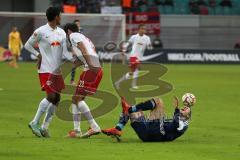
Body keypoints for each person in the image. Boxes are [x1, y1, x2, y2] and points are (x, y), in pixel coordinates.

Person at [25, 7, 71, 138]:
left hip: (57, 70)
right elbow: (28, 45)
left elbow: (65, 52)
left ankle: (45, 127)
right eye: (60, 15)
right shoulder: (40, 31)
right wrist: (38, 55)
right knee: (51, 96)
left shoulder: (61, 32)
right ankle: (34, 122)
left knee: (57, 98)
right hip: (45, 69)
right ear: (56, 17)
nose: (61, 17)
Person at [64, 23, 102, 138]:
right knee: (75, 98)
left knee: (77, 98)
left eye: (66, 33)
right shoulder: (86, 38)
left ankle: (94, 127)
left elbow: (84, 50)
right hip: (94, 68)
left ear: (69, 31)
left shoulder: (73, 36)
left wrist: (90, 64)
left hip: (91, 69)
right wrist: (75, 64)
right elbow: (90, 52)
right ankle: (76, 130)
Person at [102, 96, 193, 142]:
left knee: (158, 101)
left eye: (186, 109)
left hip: (157, 132)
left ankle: (129, 109)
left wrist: (177, 111)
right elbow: (173, 125)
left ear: (187, 116)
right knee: (133, 112)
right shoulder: (179, 119)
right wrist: (176, 110)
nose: (184, 108)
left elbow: (175, 126)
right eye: (184, 108)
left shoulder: (184, 123)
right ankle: (117, 129)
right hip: (146, 134)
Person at [115, 24, 152, 89]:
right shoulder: (134, 37)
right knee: (137, 68)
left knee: (133, 72)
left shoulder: (147, 38)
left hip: (140, 57)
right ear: (139, 29)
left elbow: (149, 47)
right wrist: (124, 50)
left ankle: (118, 82)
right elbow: (127, 44)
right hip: (133, 56)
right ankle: (132, 85)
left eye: (144, 29)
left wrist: (150, 46)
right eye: (142, 29)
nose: (143, 30)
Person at [69, 19, 83, 85]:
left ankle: (82, 81)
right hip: (76, 51)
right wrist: (73, 51)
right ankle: (72, 80)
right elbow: (71, 43)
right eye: (76, 24)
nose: (78, 25)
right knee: (74, 66)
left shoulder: (81, 31)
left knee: (85, 65)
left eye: (78, 24)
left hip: (81, 51)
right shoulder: (72, 33)